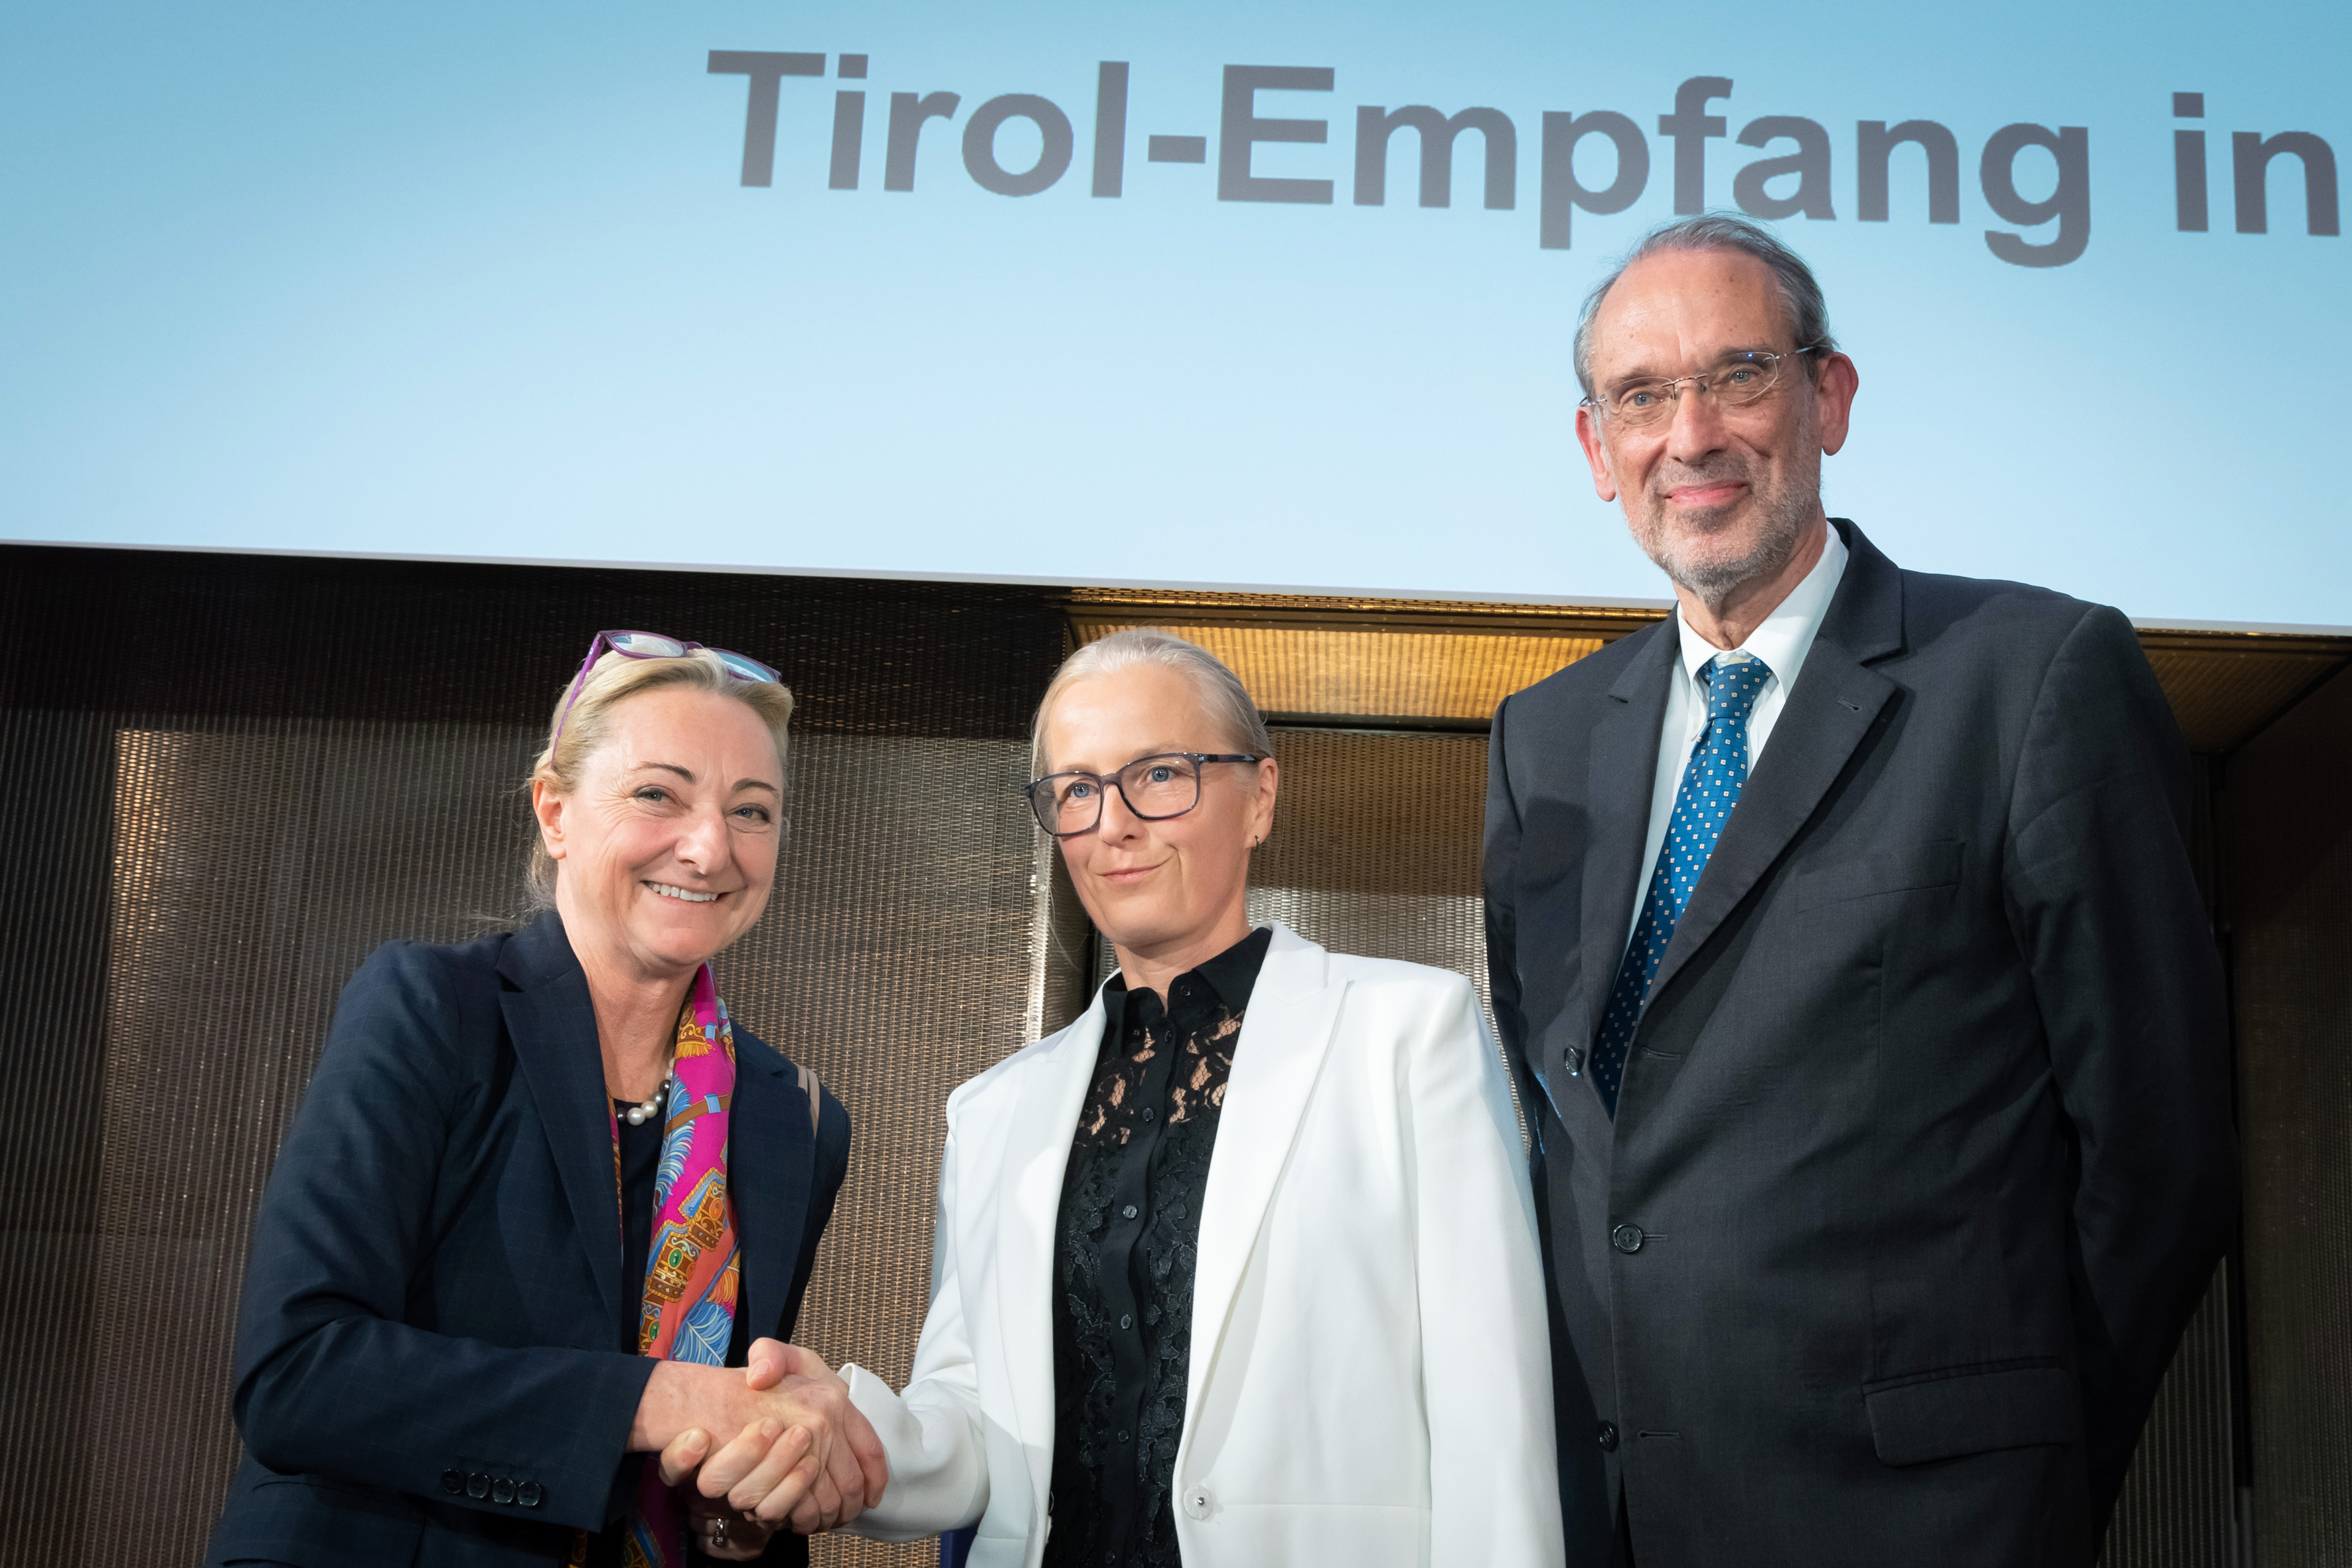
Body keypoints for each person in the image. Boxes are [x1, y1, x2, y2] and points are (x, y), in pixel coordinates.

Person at [1480, 212, 2239, 1566]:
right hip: (1610, 1522)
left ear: (1826, 397)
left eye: (1738, 374)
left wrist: (2024, 1476)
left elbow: (2159, 1151)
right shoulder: (1542, 743)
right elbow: (1572, 1139)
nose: (1690, 434)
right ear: (1596, 450)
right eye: (1641, 396)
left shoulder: (2029, 676)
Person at [716, 629, 1559, 1566]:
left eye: (1159, 774)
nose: (1113, 822)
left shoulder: (1409, 1030)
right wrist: (848, 1430)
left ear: (1260, 797)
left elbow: (1494, 1408)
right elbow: (975, 1424)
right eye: (1078, 789)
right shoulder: (993, 1111)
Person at [206, 631, 888, 1567]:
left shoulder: (794, 1118)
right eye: (658, 794)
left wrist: (754, 1494)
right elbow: (299, 1373)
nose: (709, 847)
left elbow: (711, 1474)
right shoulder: (431, 1010)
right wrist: (668, 1398)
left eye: (751, 810)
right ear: (555, 812)